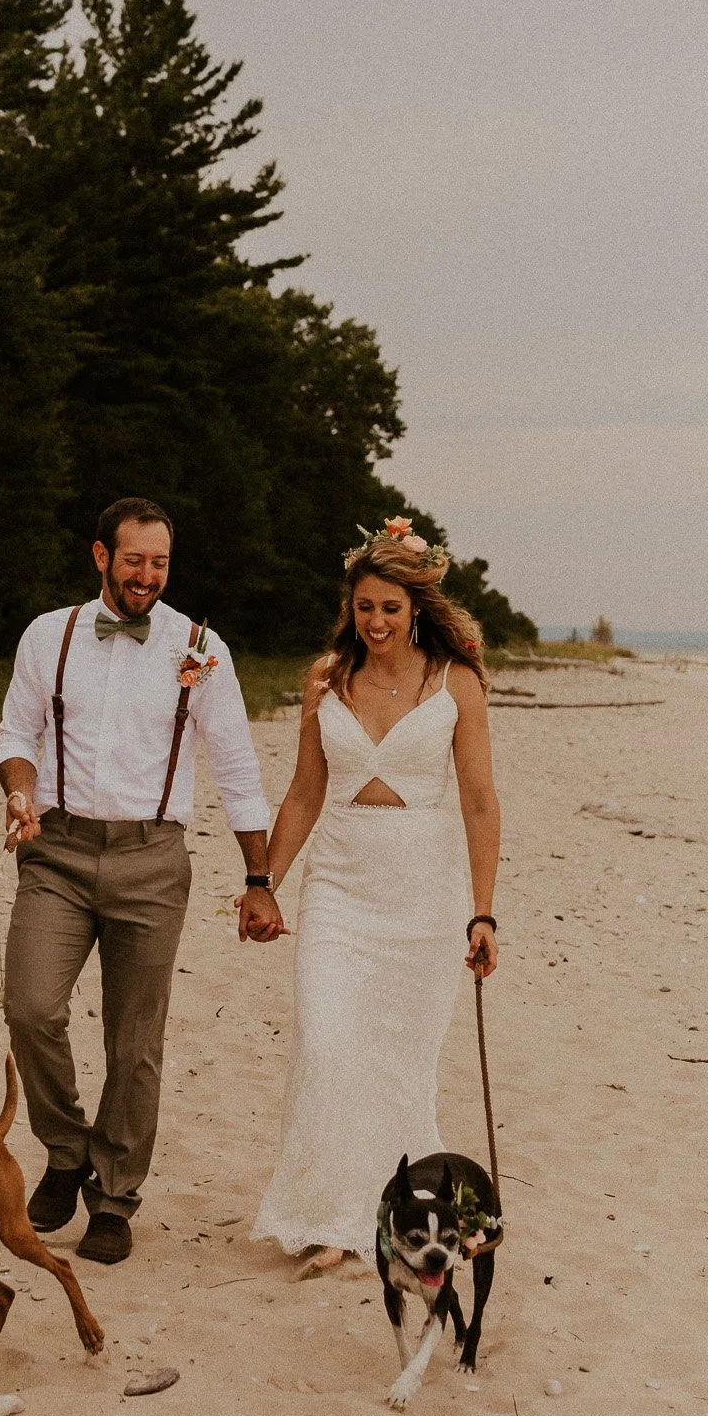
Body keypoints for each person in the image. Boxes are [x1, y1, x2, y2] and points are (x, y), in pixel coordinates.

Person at [0, 496, 271, 1265]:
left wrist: (259, 876)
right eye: (133, 560)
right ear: (100, 557)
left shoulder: (200, 648)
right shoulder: (48, 636)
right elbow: (17, 732)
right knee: (30, 1007)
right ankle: (63, 1151)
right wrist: (19, 792)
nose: (146, 575)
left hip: (153, 859)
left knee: (135, 1041)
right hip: (55, 849)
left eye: (159, 562)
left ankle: (113, 1196)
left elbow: (237, 764)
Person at [242, 519, 501, 1272]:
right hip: (340, 885)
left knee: (396, 1060)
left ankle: (389, 1213)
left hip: (423, 889)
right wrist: (263, 883)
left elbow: (480, 802)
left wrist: (482, 912)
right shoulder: (325, 675)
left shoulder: (457, 682)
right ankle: (334, 1216)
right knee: (327, 1043)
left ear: (416, 606)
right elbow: (303, 792)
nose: (376, 622)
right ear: (349, 608)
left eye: (390, 607)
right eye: (364, 607)